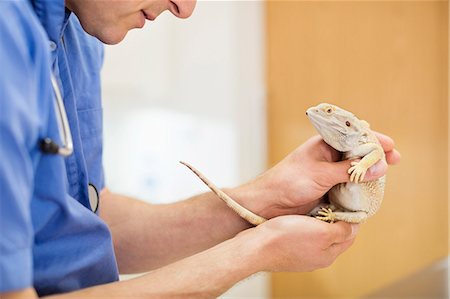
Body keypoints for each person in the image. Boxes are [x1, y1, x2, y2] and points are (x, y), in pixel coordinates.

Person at [0, 0, 401, 298]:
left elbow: (87, 224)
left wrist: (268, 198)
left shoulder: (80, 38)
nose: (185, 8)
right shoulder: (8, 37)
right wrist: (257, 251)